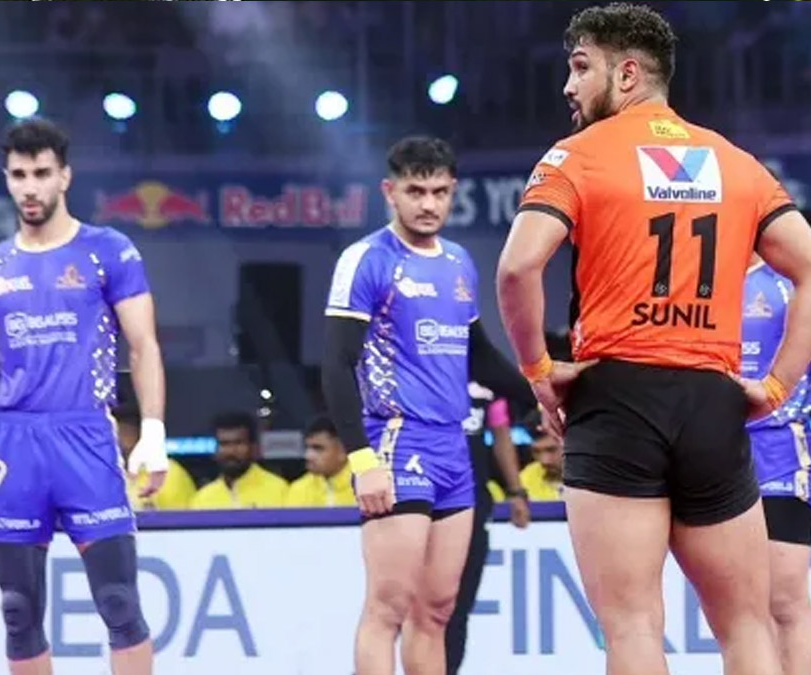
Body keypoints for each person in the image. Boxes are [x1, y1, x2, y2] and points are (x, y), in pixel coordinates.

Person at [495, 4, 811, 675]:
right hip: (713, 403)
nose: (568, 86)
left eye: (581, 67)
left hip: (617, 397)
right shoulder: (737, 163)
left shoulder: (577, 155)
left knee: (635, 626)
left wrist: (538, 369)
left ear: (628, 73)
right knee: (746, 626)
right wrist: (778, 383)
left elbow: (518, 267)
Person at [0, 118, 168, 675]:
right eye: (19, 175)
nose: (30, 186)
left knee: (119, 602)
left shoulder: (108, 251)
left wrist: (153, 432)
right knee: (19, 611)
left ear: (64, 177)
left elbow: (143, 345)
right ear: (6, 178)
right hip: (14, 443)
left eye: (42, 173)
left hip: (85, 437)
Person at [321, 135, 517, 675]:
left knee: (437, 611)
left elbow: (479, 355)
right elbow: (336, 365)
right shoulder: (367, 260)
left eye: (439, 192)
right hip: (395, 441)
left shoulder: (458, 263)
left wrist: (544, 390)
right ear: (390, 192)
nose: (428, 204)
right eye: (415, 191)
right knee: (388, 608)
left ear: (453, 191)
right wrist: (362, 459)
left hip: (454, 448)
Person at [742, 254, 811, 675]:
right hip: (707, 449)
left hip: (778, 453)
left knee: (784, 602)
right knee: (739, 611)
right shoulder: (696, 274)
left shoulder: (792, 280)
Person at [445, 382, 530, 675]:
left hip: (473, 503)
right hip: (422, 502)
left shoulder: (487, 379)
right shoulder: (417, 367)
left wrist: (515, 491)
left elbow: (501, 433)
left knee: (458, 608)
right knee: (407, 605)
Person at [190, 411, 290, 509]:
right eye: (224, 444)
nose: (231, 451)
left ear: (253, 447)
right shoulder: (202, 499)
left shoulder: (279, 490)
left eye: (238, 443)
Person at [113, 404, 196, 511]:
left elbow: (183, 518)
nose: (117, 440)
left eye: (123, 432)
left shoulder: (169, 472)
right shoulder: (99, 471)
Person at [285, 416, 355, 508]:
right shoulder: (299, 489)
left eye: (318, 448)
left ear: (343, 450)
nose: (308, 455)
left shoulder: (365, 486)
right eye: (307, 447)